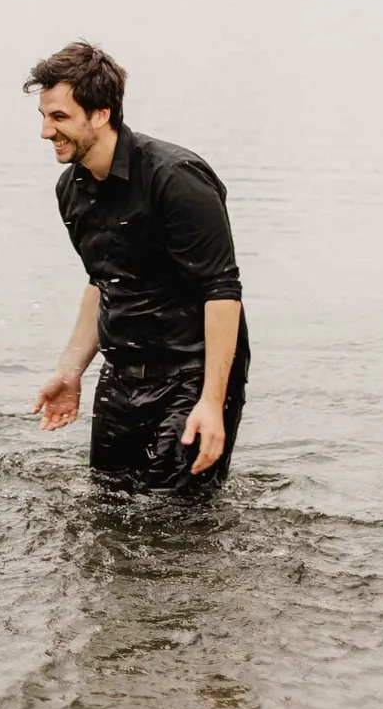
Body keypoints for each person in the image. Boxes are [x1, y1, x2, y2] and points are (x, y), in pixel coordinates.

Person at [28, 41, 249, 503]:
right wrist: (70, 372)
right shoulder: (71, 189)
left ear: (102, 113)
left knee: (175, 519)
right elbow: (102, 282)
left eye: (60, 117)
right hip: (122, 371)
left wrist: (211, 402)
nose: (47, 132)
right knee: (108, 505)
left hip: (193, 371)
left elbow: (222, 291)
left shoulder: (175, 177)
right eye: (45, 117)